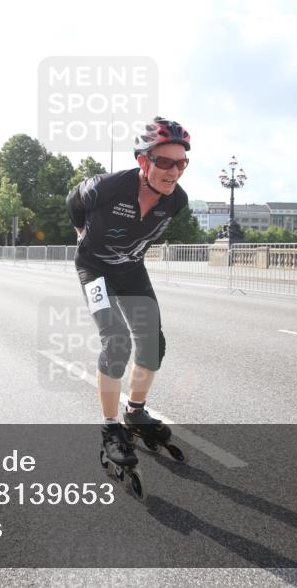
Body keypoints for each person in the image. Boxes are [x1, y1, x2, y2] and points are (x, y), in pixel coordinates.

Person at [65, 116, 190, 468]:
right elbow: (72, 201)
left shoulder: (176, 201)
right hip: (94, 271)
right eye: (164, 162)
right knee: (116, 341)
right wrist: (81, 232)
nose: (174, 171)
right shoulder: (105, 188)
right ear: (142, 161)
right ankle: (109, 427)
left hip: (131, 271)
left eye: (181, 163)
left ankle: (135, 412)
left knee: (153, 344)